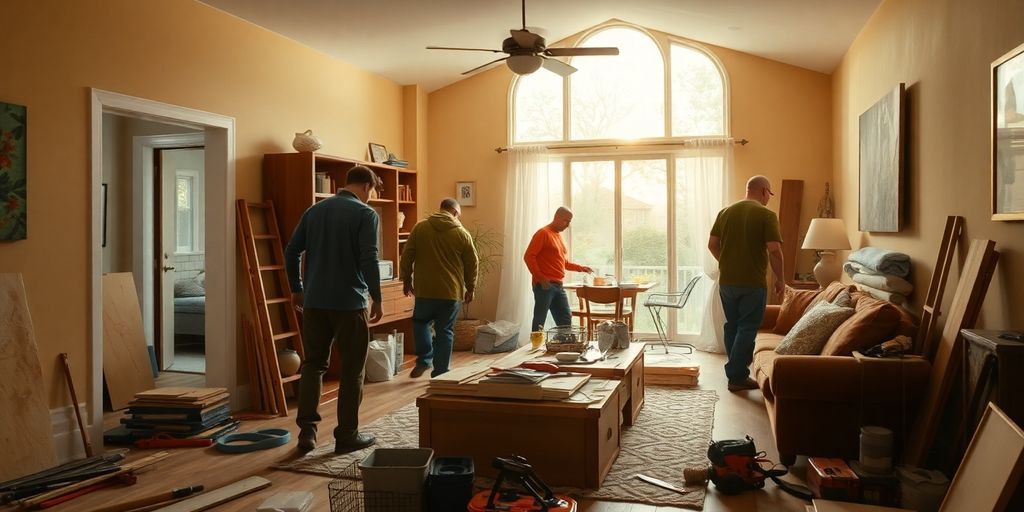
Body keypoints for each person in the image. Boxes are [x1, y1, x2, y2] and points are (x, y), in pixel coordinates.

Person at [285, 165, 384, 454]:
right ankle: (347, 435)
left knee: (313, 365)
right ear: (367, 186)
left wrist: (297, 288)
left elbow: (292, 251)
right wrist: (377, 297)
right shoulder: (366, 214)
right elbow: (369, 258)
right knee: (352, 370)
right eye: (372, 192)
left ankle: (307, 433)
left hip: (314, 302)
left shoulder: (314, 211)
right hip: (349, 304)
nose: (370, 197)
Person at [708, 175, 785, 392]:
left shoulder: (725, 212)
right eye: (769, 194)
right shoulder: (766, 214)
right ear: (763, 191)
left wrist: (726, 261)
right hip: (752, 283)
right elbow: (775, 251)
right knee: (748, 326)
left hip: (727, 282)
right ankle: (736, 375)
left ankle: (736, 372)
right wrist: (781, 279)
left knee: (732, 325)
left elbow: (712, 244)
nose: (768, 199)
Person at [400, 198, 479, 378]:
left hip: (425, 290)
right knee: (445, 330)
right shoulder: (461, 233)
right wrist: (471, 287)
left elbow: (407, 255)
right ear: (455, 212)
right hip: (450, 293)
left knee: (421, 323)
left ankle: (424, 360)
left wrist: (406, 279)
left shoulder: (420, 228)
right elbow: (472, 263)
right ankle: (441, 371)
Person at [524, 207, 594, 332]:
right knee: (540, 321)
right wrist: (540, 278)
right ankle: (534, 348)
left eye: (569, 222)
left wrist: (581, 268)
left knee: (566, 320)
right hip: (544, 286)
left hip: (559, 286)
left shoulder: (559, 237)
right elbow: (528, 256)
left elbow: (564, 262)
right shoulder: (543, 233)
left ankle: (565, 346)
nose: (568, 225)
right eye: (565, 221)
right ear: (556, 216)